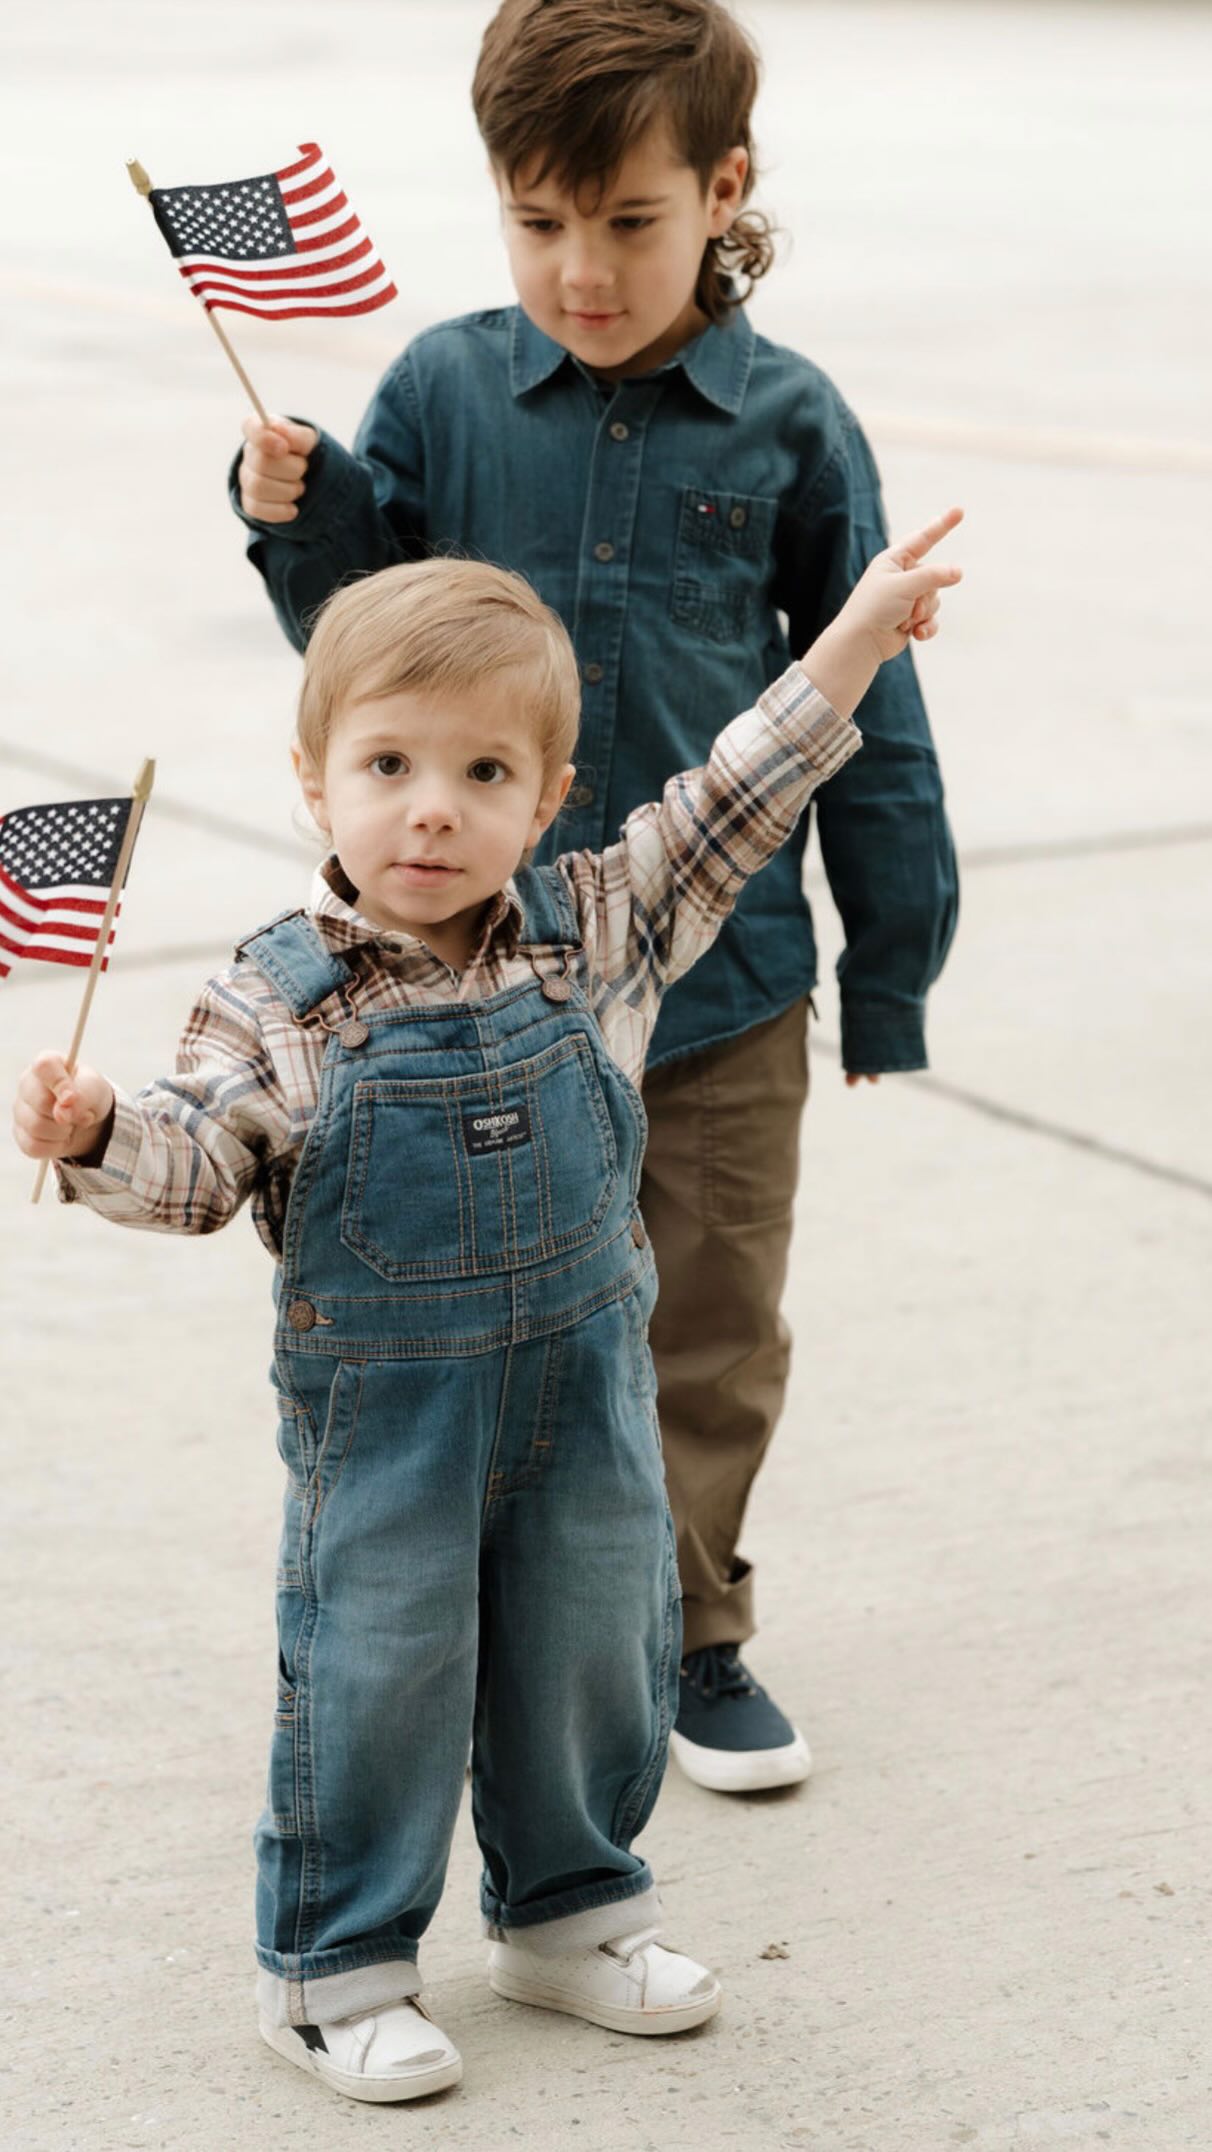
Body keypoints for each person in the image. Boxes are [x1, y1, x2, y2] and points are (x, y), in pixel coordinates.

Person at [13, 519, 960, 2105]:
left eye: (483, 775)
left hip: (584, 1392)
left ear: (548, 793)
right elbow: (192, 1173)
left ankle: (571, 1911)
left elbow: (739, 791)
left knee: (591, 1645)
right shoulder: (278, 996)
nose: (432, 810)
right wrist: (100, 1127)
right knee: (382, 1663)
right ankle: (336, 1966)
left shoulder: (601, 928)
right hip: (389, 1420)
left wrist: (858, 632)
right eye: (387, 765)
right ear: (315, 779)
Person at [231, 0, 959, 1793]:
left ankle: (695, 1633)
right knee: (495, 1319)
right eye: (537, 224)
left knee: (706, 1322)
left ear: (719, 191)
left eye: (629, 223)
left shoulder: (789, 424)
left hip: (722, 986)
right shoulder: (443, 391)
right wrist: (301, 522)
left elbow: (874, 707)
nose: (583, 269)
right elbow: (371, 656)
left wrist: (892, 970)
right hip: (481, 997)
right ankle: (501, 1614)